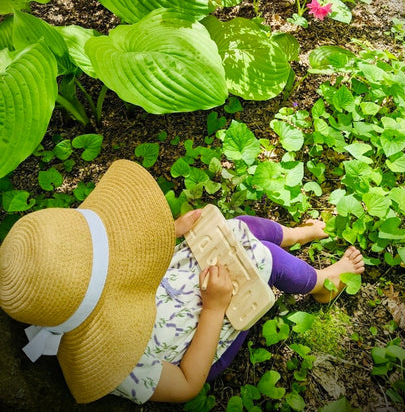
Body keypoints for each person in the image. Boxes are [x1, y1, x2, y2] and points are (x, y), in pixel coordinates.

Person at [0, 160, 365, 405]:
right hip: (197, 336)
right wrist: (215, 308)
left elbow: (129, 254)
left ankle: (296, 235)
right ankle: (321, 283)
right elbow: (189, 383)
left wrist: (171, 232)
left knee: (238, 229)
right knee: (258, 261)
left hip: (167, 284)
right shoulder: (116, 364)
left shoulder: (75, 282)